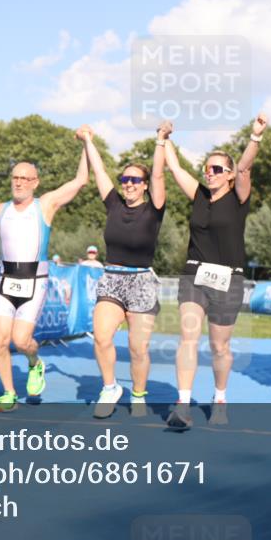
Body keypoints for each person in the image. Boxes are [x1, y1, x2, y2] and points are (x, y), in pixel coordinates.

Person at [162, 114, 269, 429]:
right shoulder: (198, 196)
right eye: (207, 169)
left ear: (230, 174)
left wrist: (255, 136)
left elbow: (246, 166)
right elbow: (176, 168)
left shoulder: (239, 197)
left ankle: (219, 397)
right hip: (194, 275)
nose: (209, 174)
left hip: (229, 279)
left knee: (219, 347)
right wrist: (163, 139)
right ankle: (182, 405)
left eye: (217, 169)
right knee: (188, 337)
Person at [0, 153, 88, 412]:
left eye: (24, 179)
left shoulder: (45, 205)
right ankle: (9, 393)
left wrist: (86, 144)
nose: (18, 183)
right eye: (15, 178)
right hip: (6, 280)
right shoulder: (0, 209)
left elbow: (81, 180)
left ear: (35, 183)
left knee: (21, 340)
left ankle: (34, 362)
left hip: (35, 280)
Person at [77, 123, 166, 419]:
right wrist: (89, 140)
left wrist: (159, 142)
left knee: (138, 348)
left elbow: (158, 173)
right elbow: (100, 171)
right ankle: (110, 387)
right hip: (112, 279)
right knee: (102, 337)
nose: (128, 183)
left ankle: (138, 394)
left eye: (134, 179)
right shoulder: (113, 204)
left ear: (144, 185)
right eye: (125, 179)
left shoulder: (154, 208)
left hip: (142, 281)